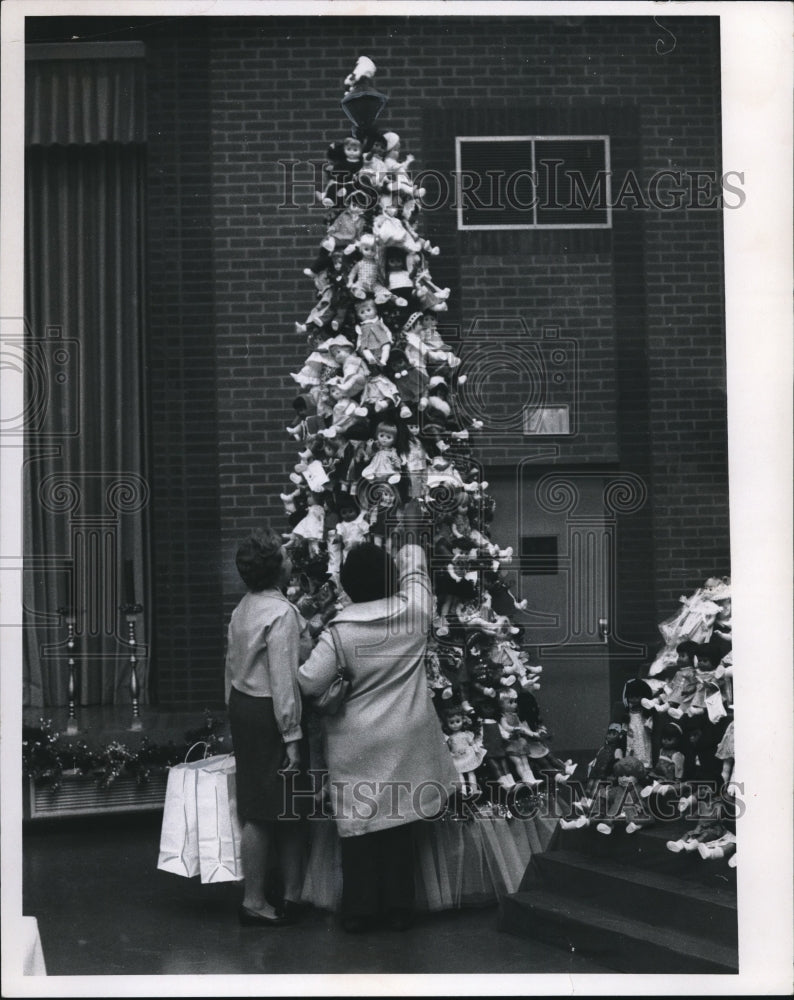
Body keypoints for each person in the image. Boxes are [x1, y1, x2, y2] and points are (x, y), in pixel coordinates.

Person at [297, 540, 458, 933]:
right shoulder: (415, 613)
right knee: (401, 823)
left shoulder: (340, 631)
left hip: (356, 742)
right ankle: (400, 910)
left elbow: (309, 682)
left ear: (349, 584)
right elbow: (417, 571)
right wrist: (407, 550)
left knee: (358, 827)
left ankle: (360, 911)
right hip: (407, 735)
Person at [225, 527, 312, 926]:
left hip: (245, 708)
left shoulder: (244, 607)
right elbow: (284, 679)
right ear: (276, 568)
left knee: (276, 807)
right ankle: (255, 900)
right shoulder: (282, 613)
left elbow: (230, 669)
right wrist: (292, 737)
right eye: (286, 556)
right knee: (269, 811)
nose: (292, 560)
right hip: (272, 714)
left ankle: (291, 895)